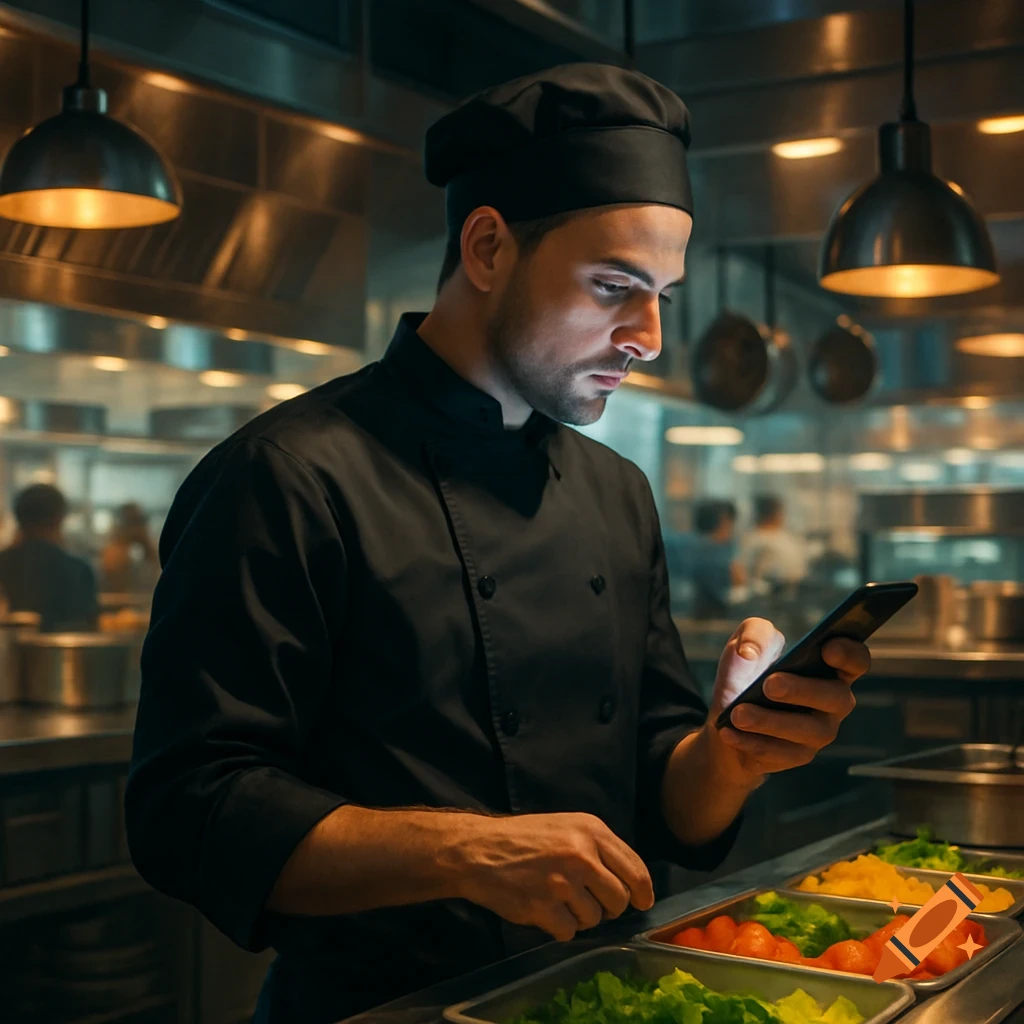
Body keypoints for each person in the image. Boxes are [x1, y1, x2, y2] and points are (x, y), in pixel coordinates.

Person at [125, 64, 869, 1024]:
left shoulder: (616, 492)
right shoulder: (289, 475)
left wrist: (732, 754)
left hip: (593, 997)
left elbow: (664, 791)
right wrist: (472, 852)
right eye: (614, 286)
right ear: (486, 246)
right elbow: (189, 809)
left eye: (663, 299)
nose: (646, 336)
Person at [0, 483, 98, 632]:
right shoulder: (78, 569)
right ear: (59, 517)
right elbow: (87, 625)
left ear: (18, 518)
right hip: (61, 654)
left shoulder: (3, 562)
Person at [690, 499, 745, 620]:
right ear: (724, 521)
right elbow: (729, 598)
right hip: (714, 620)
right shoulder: (714, 555)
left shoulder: (693, 546)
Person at [742, 494, 808, 594]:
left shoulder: (753, 539)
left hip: (781, 594)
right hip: (785, 595)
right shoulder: (787, 539)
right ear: (777, 514)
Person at [100, 503, 160, 595]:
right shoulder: (113, 553)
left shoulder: (151, 550)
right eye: (132, 522)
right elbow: (117, 583)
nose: (136, 528)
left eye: (141, 521)